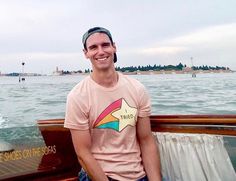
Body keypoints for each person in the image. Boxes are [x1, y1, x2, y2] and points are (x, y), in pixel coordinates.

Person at [64, 27, 161, 181]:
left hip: (139, 174)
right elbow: (83, 153)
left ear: (114, 47)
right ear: (86, 53)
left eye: (105, 45)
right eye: (93, 47)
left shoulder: (137, 89)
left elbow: (146, 140)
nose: (101, 51)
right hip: (100, 175)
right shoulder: (77, 96)